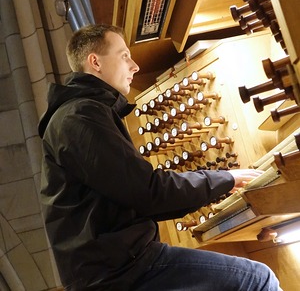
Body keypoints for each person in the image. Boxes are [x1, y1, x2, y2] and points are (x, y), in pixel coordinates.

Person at [38, 24, 282, 291]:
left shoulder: (82, 113)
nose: (135, 66)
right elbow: (149, 192)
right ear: (95, 62)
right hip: (121, 273)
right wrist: (226, 179)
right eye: (123, 56)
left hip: (116, 268)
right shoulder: (80, 116)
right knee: (258, 279)